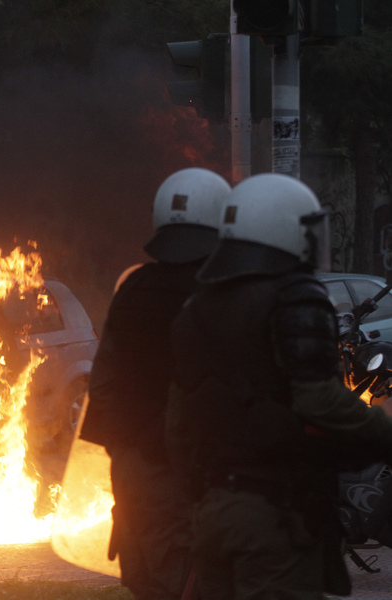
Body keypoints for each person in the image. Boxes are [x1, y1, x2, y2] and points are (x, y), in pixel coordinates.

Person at [166, 173, 392, 600]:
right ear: (280, 230)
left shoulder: (199, 306)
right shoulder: (294, 298)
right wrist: (383, 434)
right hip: (274, 513)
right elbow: (319, 400)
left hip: (213, 511)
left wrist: (200, 496)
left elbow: (178, 420)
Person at [79, 167, 231, 600]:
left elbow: (103, 386)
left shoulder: (134, 288)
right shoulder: (221, 294)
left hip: (134, 483)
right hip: (189, 486)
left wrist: (129, 451)